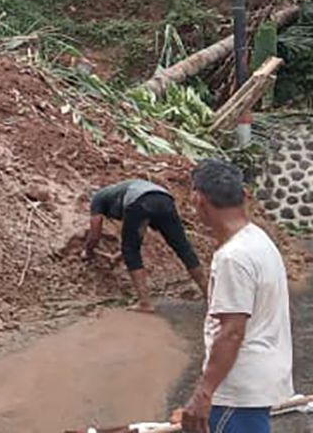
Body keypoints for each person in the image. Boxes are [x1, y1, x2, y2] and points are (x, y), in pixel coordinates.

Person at [181, 158, 293, 433]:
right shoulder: (258, 239)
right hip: (258, 381)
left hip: (238, 389)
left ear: (198, 199)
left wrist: (203, 393)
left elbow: (231, 331)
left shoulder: (233, 257)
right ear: (245, 195)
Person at [85, 177, 206, 312]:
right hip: (165, 198)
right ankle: (209, 295)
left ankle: (145, 302)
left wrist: (88, 252)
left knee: (131, 251)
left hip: (140, 201)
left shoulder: (97, 199)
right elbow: (140, 231)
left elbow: (95, 234)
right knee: (183, 247)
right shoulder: (118, 191)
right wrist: (121, 255)